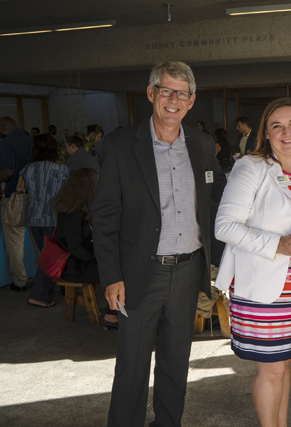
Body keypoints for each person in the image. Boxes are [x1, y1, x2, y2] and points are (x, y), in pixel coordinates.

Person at [92, 61, 225, 427]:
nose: (173, 100)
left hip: (187, 271)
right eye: (166, 90)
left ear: (192, 100)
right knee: (132, 367)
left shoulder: (201, 145)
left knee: (175, 363)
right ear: (151, 94)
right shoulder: (121, 145)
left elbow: (215, 205)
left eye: (181, 93)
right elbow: (103, 219)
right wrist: (111, 276)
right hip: (139, 274)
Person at [214, 98, 291, 427]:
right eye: (276, 126)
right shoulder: (252, 167)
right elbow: (224, 226)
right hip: (263, 292)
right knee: (272, 367)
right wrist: (278, 244)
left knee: (285, 364)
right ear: (265, 134)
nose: (287, 132)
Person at [53, 168, 119, 328]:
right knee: (117, 271)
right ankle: (111, 316)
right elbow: (76, 248)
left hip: (82, 261)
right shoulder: (71, 212)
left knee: (119, 266)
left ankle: (115, 312)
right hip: (75, 266)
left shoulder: (79, 208)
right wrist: (100, 258)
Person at [19, 134, 70, 307]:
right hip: (53, 217)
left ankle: (48, 295)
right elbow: (67, 193)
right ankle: (39, 296)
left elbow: (21, 190)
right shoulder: (61, 170)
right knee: (49, 257)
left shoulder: (26, 169)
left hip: (33, 218)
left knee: (46, 255)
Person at [0, 116, 33, 292]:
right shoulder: (31, 141)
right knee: (38, 240)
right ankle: (46, 277)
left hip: (13, 196)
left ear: (3, 127)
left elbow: (6, 172)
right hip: (35, 196)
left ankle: (20, 281)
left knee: (14, 241)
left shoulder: (6, 144)